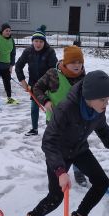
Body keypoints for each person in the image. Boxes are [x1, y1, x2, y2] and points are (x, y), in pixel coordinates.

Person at [20, 70, 109, 216]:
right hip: (59, 152)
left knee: (102, 182)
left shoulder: (97, 108)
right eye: (103, 99)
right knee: (56, 197)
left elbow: (101, 126)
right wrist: (61, 171)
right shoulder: (66, 109)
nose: (106, 103)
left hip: (79, 149)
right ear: (89, 96)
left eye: (108, 99)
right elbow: (48, 142)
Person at [33, 45, 87, 186]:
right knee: (56, 147)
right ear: (65, 62)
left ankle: (78, 170)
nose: (77, 66)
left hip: (77, 120)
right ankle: (57, 172)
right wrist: (45, 101)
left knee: (78, 146)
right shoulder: (53, 74)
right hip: (55, 119)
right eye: (73, 62)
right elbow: (37, 88)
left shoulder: (84, 76)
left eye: (79, 62)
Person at [15, 25, 57, 136]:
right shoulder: (28, 51)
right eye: (36, 41)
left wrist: (50, 86)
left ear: (44, 42)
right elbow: (18, 66)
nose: (38, 44)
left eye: (40, 42)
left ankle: (53, 130)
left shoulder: (50, 52)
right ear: (33, 41)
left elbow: (54, 70)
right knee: (34, 107)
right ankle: (34, 129)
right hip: (34, 84)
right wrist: (23, 82)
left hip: (49, 83)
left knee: (50, 108)